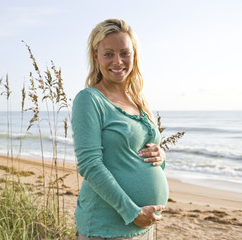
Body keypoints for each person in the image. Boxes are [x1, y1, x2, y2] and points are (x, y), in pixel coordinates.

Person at [71, 19, 169, 240]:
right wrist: (133, 213)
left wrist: (161, 156)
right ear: (96, 57)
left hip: (143, 226)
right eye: (108, 54)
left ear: (134, 55)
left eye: (125, 52)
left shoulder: (138, 100)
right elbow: (90, 165)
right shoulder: (89, 99)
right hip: (107, 227)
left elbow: (139, 152)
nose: (118, 61)